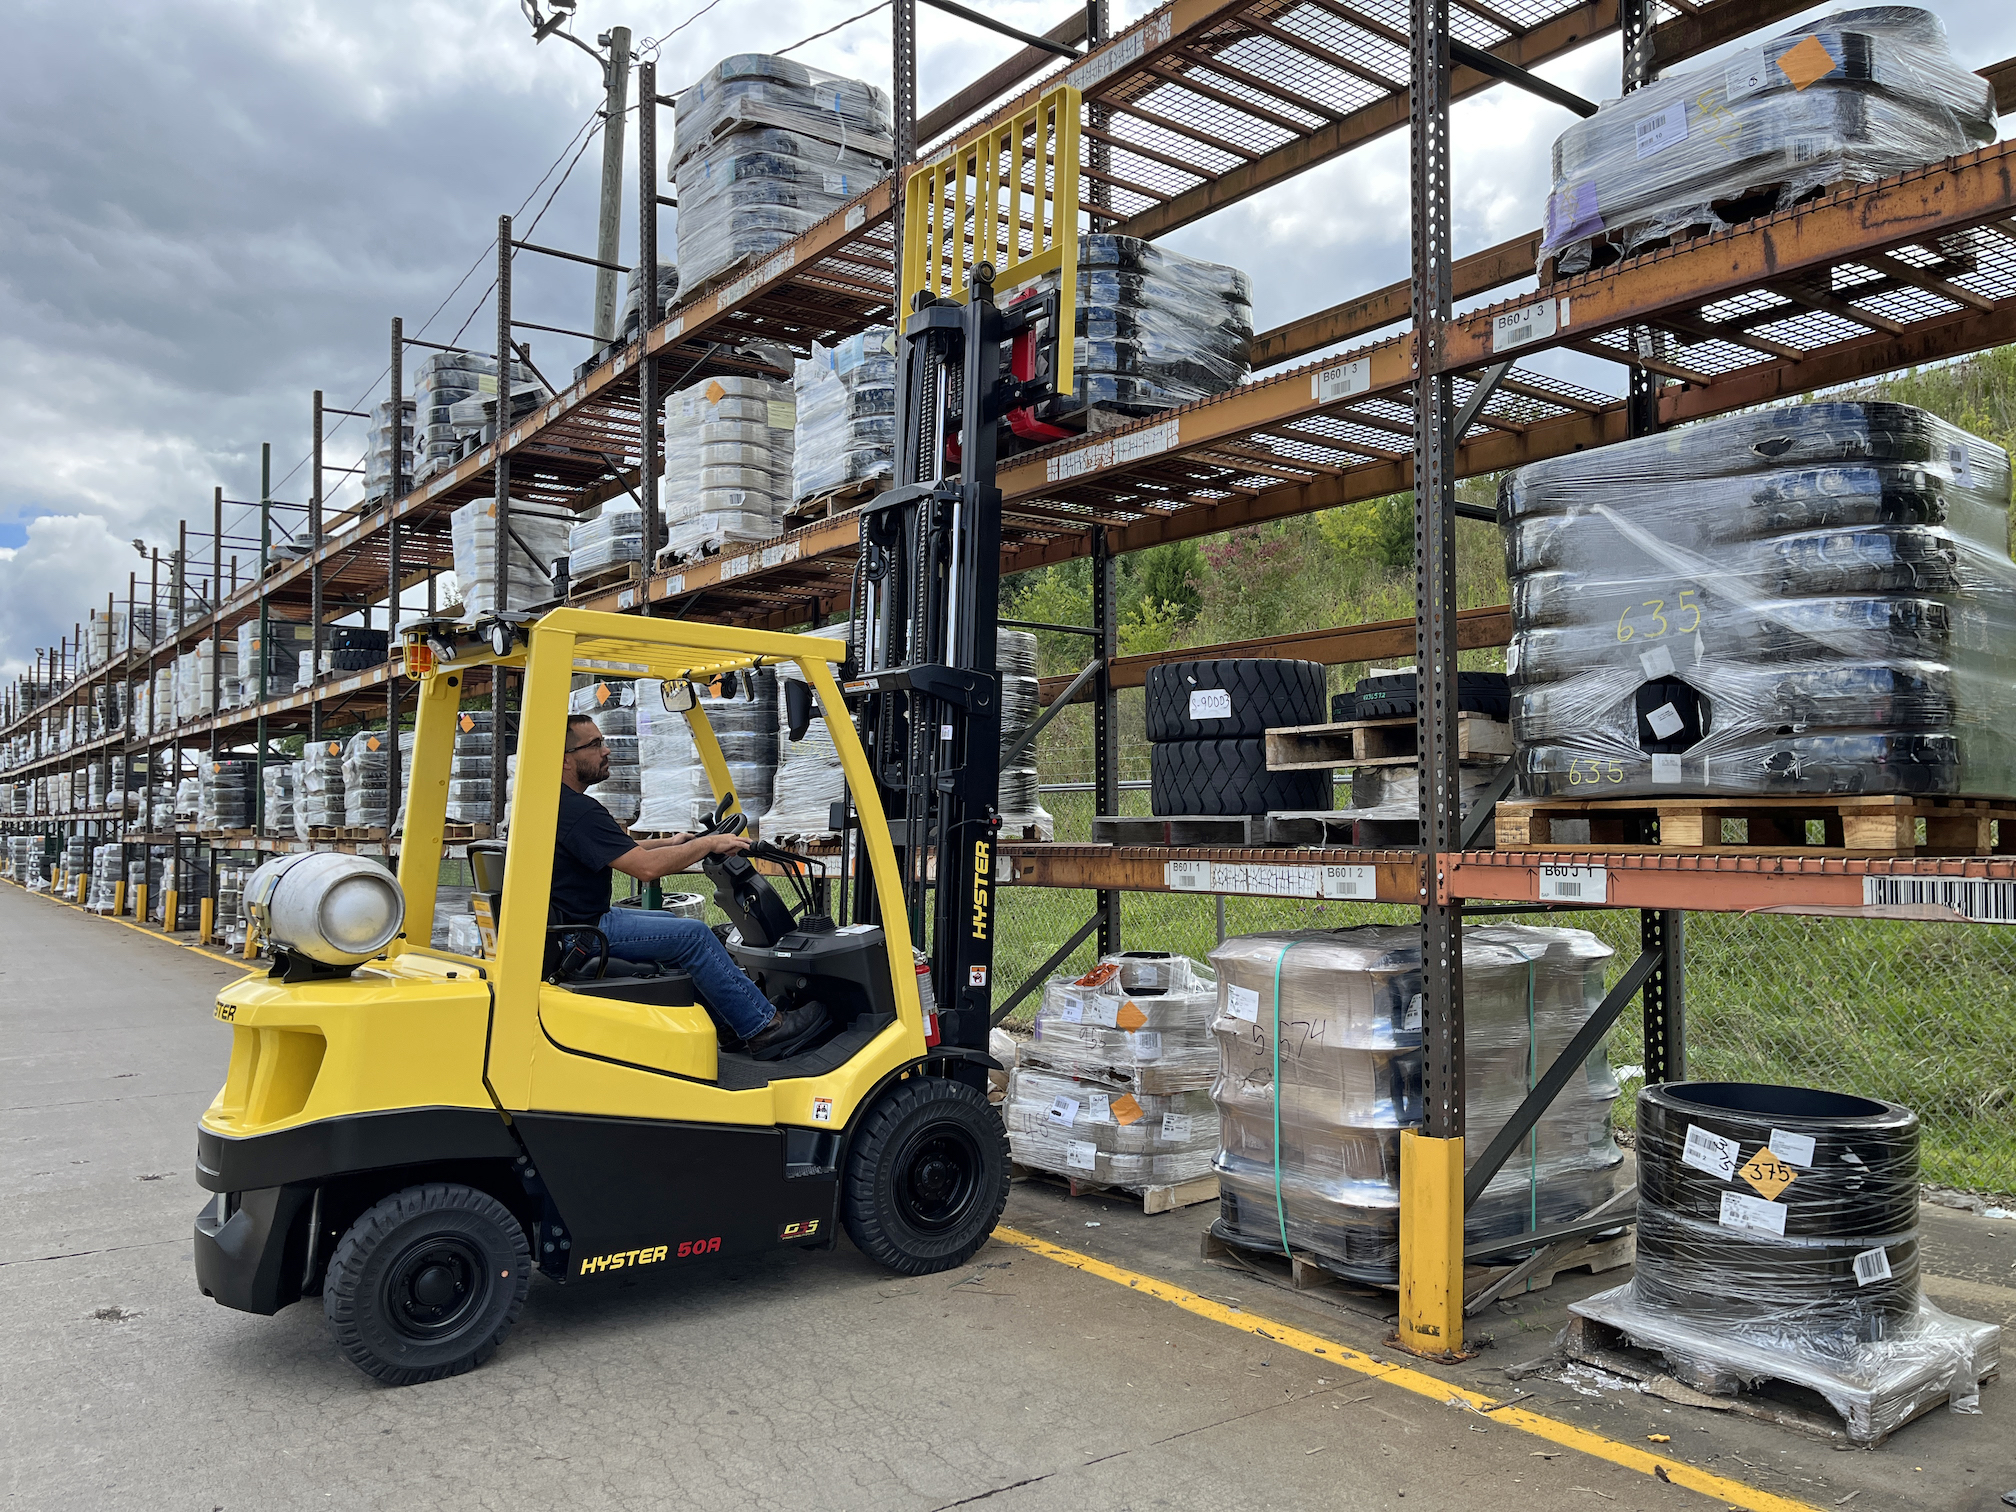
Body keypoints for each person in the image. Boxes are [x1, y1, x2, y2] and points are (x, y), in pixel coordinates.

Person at [553, 711, 827, 1061]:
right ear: (566, 760)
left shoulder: (558, 805)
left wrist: (675, 843)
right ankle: (765, 1028)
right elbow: (646, 869)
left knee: (677, 926)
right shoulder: (580, 811)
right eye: (594, 744)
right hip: (584, 933)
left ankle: (729, 1024)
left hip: (575, 924)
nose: (606, 750)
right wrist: (707, 844)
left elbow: (621, 851)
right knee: (694, 936)